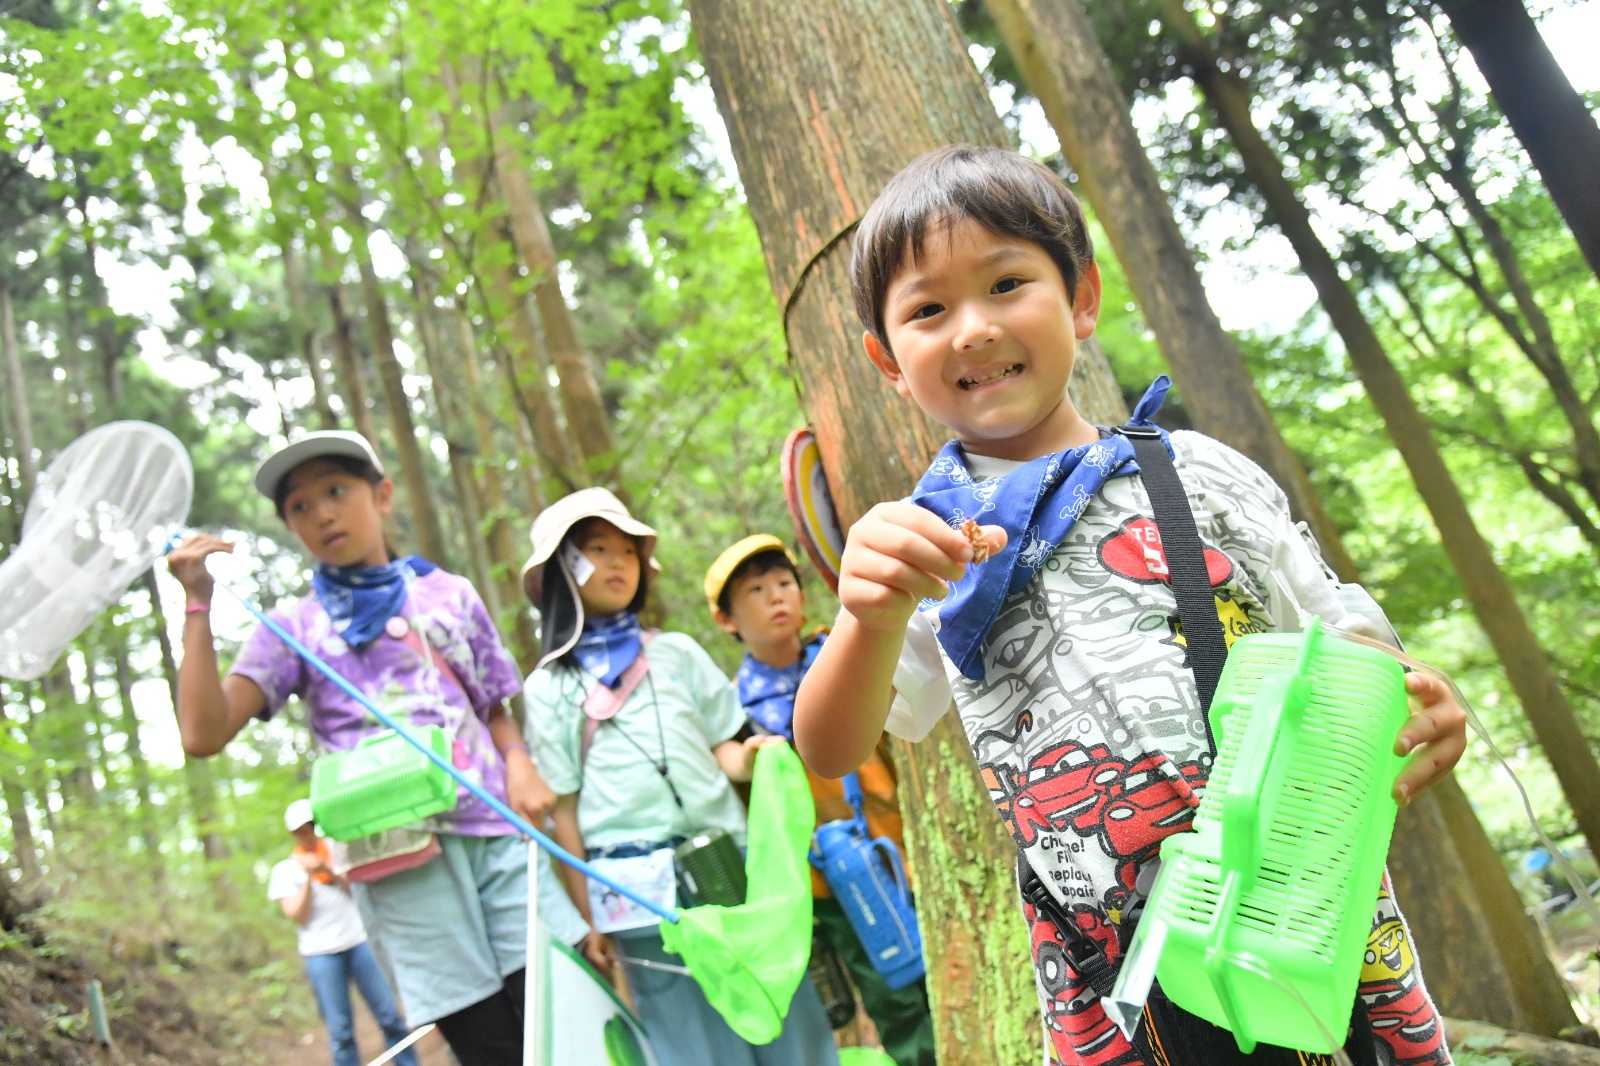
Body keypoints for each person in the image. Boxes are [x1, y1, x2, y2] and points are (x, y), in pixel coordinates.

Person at [792, 145, 1468, 1066]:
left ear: (1081, 298)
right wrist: (865, 617)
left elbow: (1344, 638)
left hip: (1299, 910)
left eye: (1006, 282)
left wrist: (1415, 692)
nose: (974, 329)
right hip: (1111, 968)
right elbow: (830, 748)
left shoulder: (1202, 471)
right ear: (887, 361)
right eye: (928, 309)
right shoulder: (921, 548)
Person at [166, 430, 589, 1066]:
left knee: (559, 1010)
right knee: (489, 1043)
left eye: (336, 491)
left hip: (496, 830)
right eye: (301, 507)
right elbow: (204, 733)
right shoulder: (292, 630)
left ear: (382, 495)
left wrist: (521, 764)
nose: (323, 513)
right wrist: (197, 603)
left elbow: (492, 704)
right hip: (396, 858)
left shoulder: (448, 594)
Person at [521, 488, 840, 1066]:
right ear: (562, 569)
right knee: (691, 1042)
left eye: (627, 551)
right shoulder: (546, 690)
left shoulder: (676, 653)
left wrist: (755, 757)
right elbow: (562, 811)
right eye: (598, 548)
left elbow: (723, 745)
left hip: (727, 866)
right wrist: (585, 919)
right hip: (636, 897)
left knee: (785, 1015)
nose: (618, 563)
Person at [705, 534, 935, 1066]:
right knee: (893, 995)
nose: (776, 597)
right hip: (833, 880)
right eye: (756, 591)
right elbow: (741, 785)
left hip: (900, 846)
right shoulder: (735, 706)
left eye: (784, 583)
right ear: (726, 619)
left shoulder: (840, 651)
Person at [268, 799, 419, 1066]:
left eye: (311, 827)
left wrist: (328, 872)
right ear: (294, 834)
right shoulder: (286, 870)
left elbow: (360, 892)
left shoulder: (341, 853)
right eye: (302, 830)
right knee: (340, 1031)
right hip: (320, 954)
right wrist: (307, 877)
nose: (308, 834)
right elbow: (297, 915)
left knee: (390, 1016)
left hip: (359, 942)